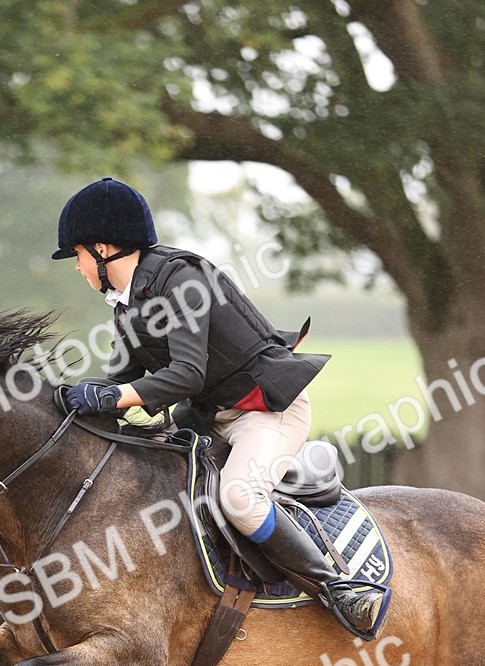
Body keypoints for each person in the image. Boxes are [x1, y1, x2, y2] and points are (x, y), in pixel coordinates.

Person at [51, 176, 389, 640]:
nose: (77, 268)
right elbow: (119, 381)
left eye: (78, 256)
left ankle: (341, 588)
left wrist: (112, 397)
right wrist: (67, 400)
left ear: (103, 249)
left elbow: (187, 375)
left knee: (239, 499)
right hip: (210, 419)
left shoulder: (183, 281)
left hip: (267, 412)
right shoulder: (127, 304)